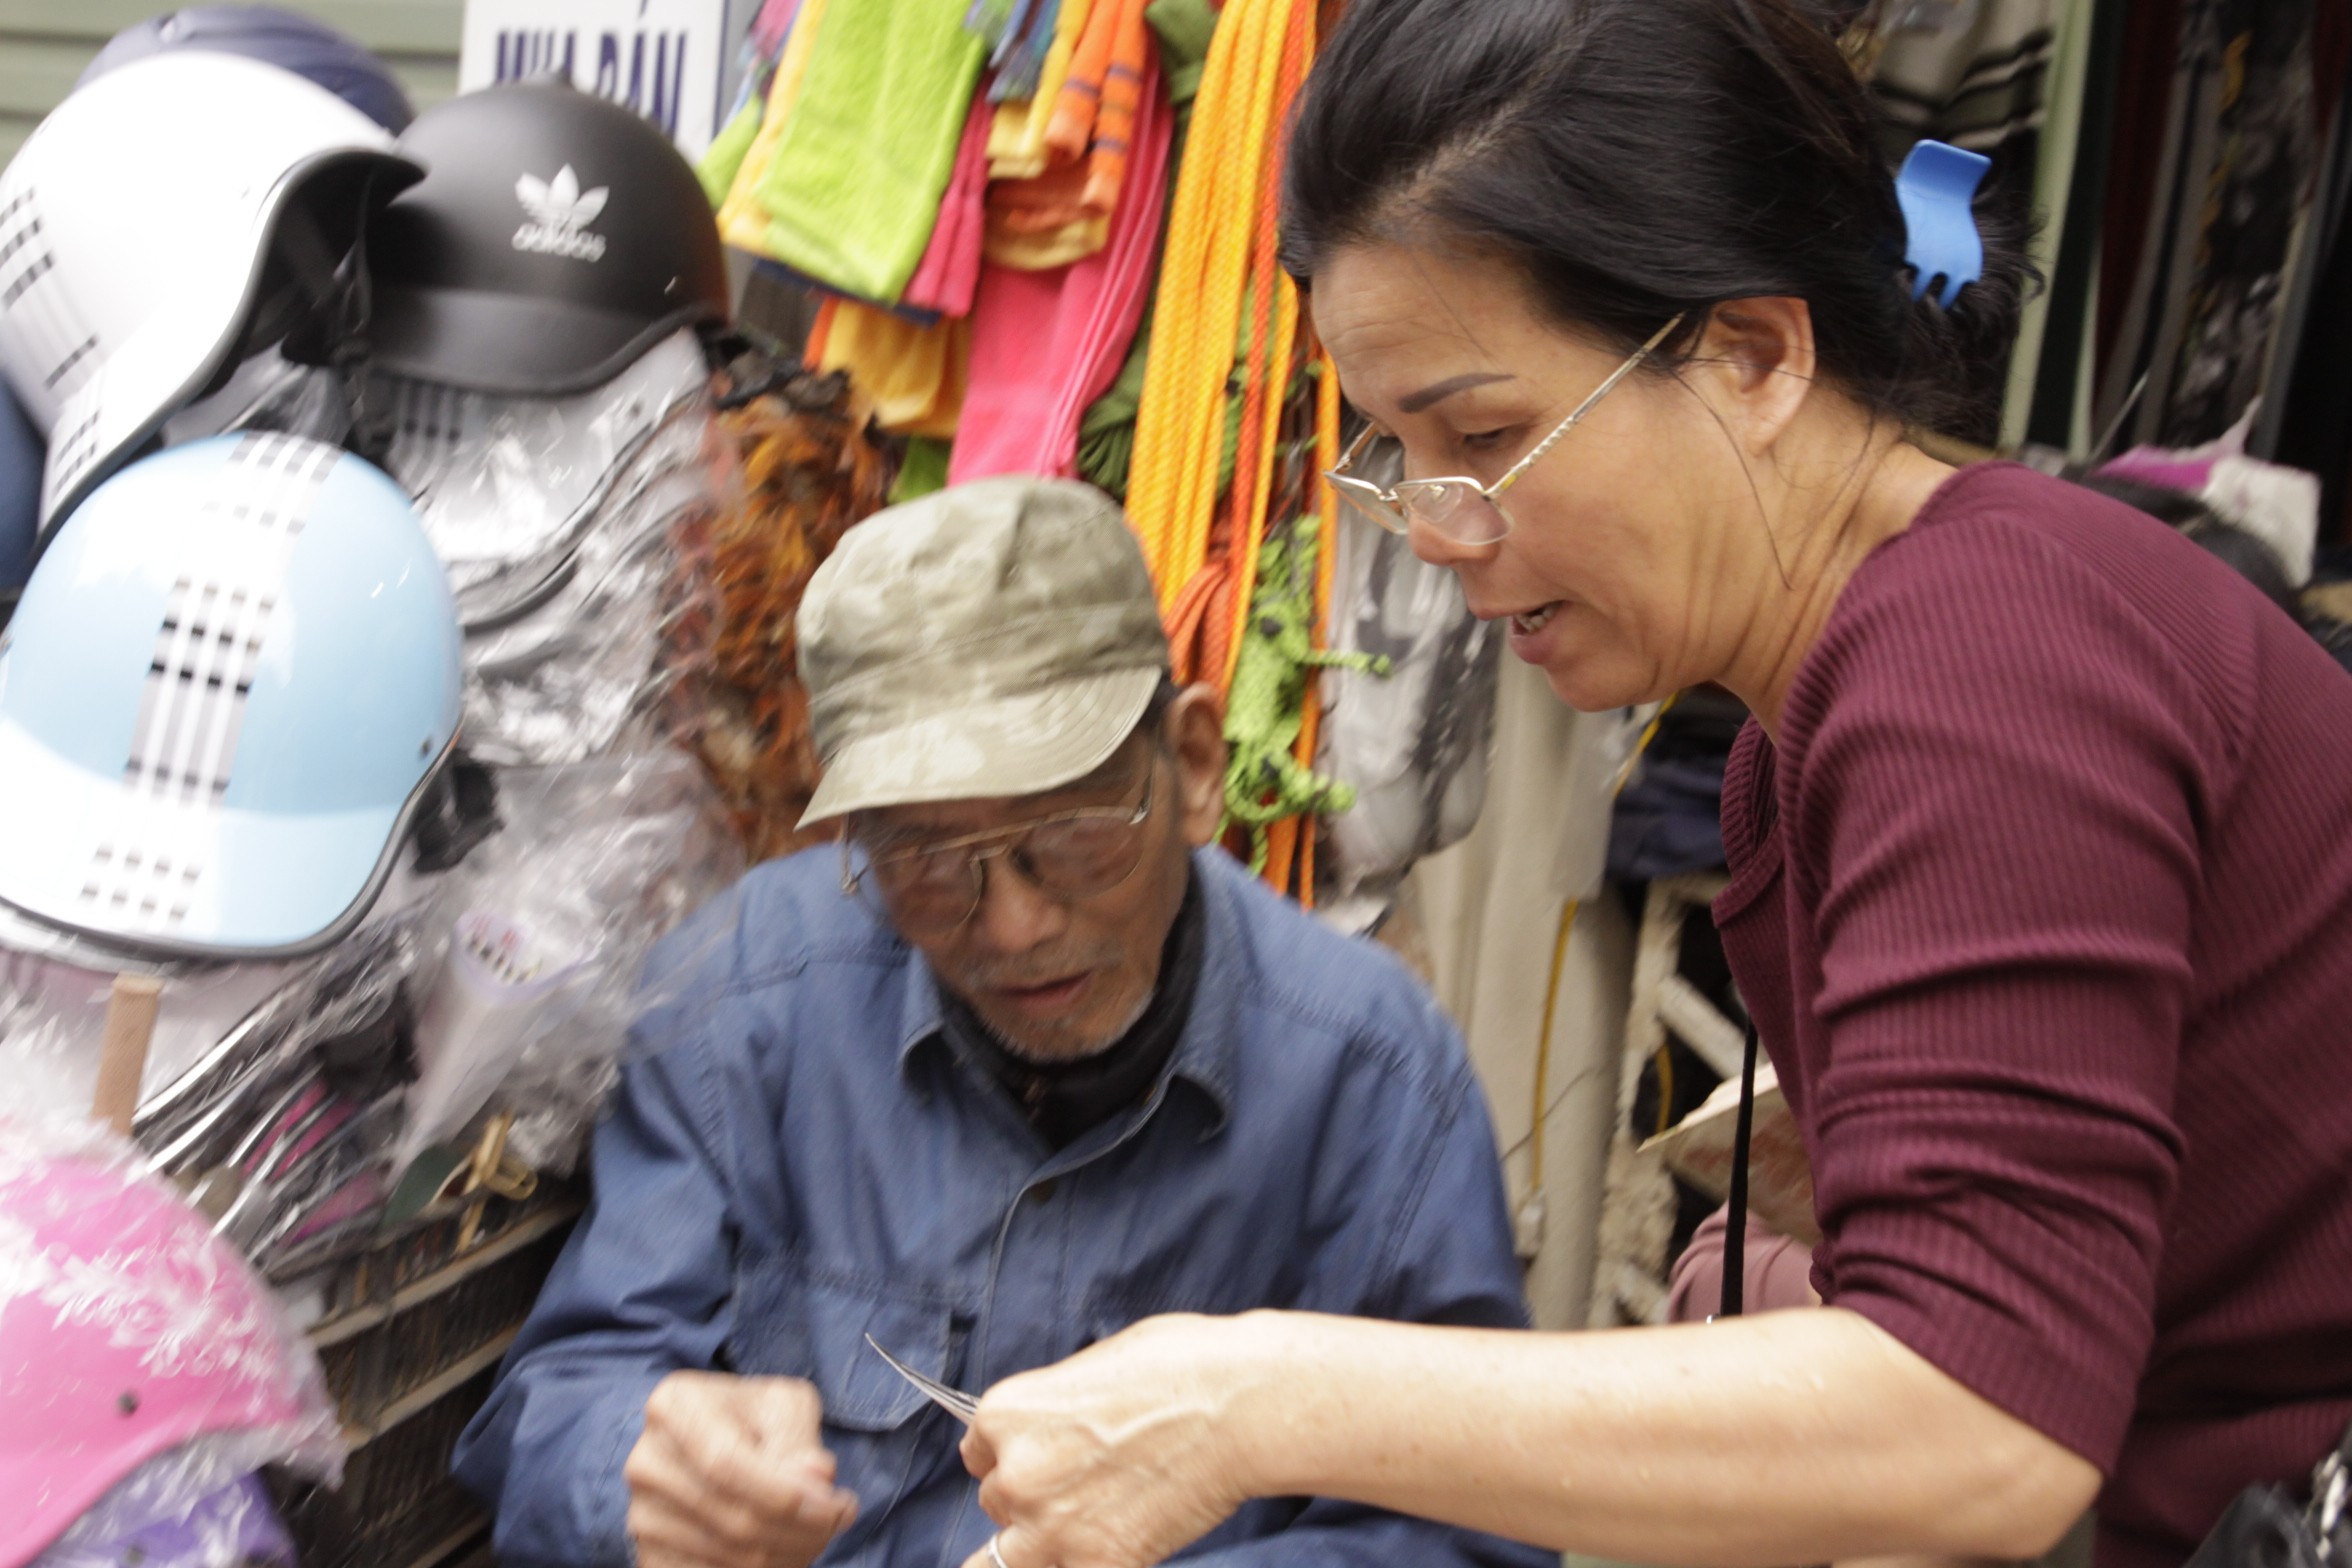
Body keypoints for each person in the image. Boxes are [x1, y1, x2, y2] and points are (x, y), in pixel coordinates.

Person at [943, 4, 2352, 1568]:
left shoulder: (1978, 653)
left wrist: (1254, 1402)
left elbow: (1978, 1418)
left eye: (1482, 431)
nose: (1435, 525)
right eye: (1396, 453)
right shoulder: (1823, 707)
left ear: (1752, 353)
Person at [449, 475, 1553, 1568]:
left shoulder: (1371, 1078)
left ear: (1198, 765)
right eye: (927, 858)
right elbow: (556, 1405)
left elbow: (1475, 1524)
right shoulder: (742, 998)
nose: (1017, 925)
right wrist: (640, 1466)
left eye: (1076, 831)